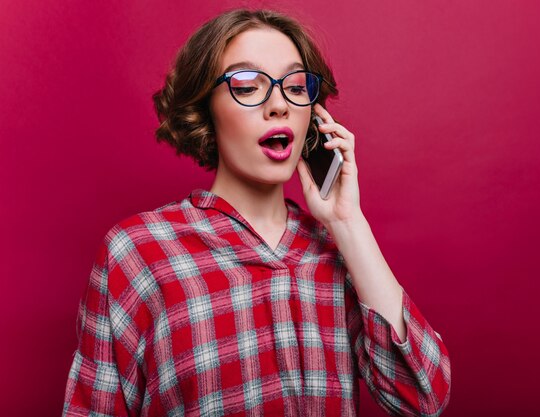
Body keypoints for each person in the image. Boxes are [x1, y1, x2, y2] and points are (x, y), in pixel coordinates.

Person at [62, 8, 451, 417]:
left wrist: (347, 222)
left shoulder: (338, 250)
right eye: (247, 86)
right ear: (204, 108)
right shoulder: (139, 252)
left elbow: (423, 398)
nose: (279, 105)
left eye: (296, 86)